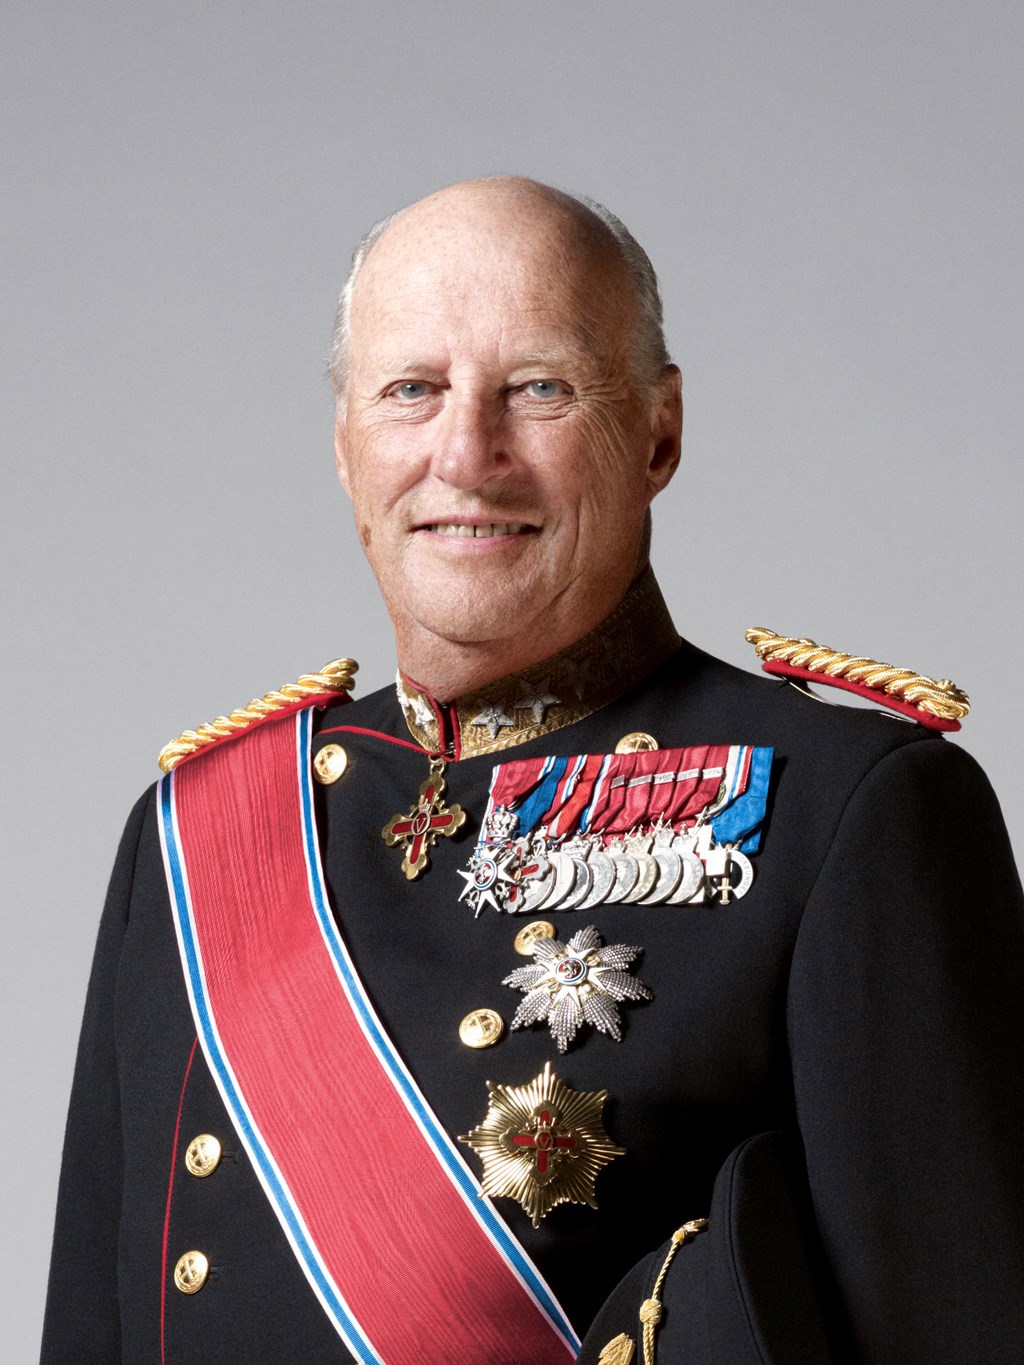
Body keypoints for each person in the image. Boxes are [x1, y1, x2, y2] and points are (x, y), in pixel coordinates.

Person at [41, 177, 1023, 1365]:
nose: (466, 455)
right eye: (411, 390)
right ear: (346, 447)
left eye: (539, 388)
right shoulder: (193, 835)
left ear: (657, 432)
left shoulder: (847, 807)